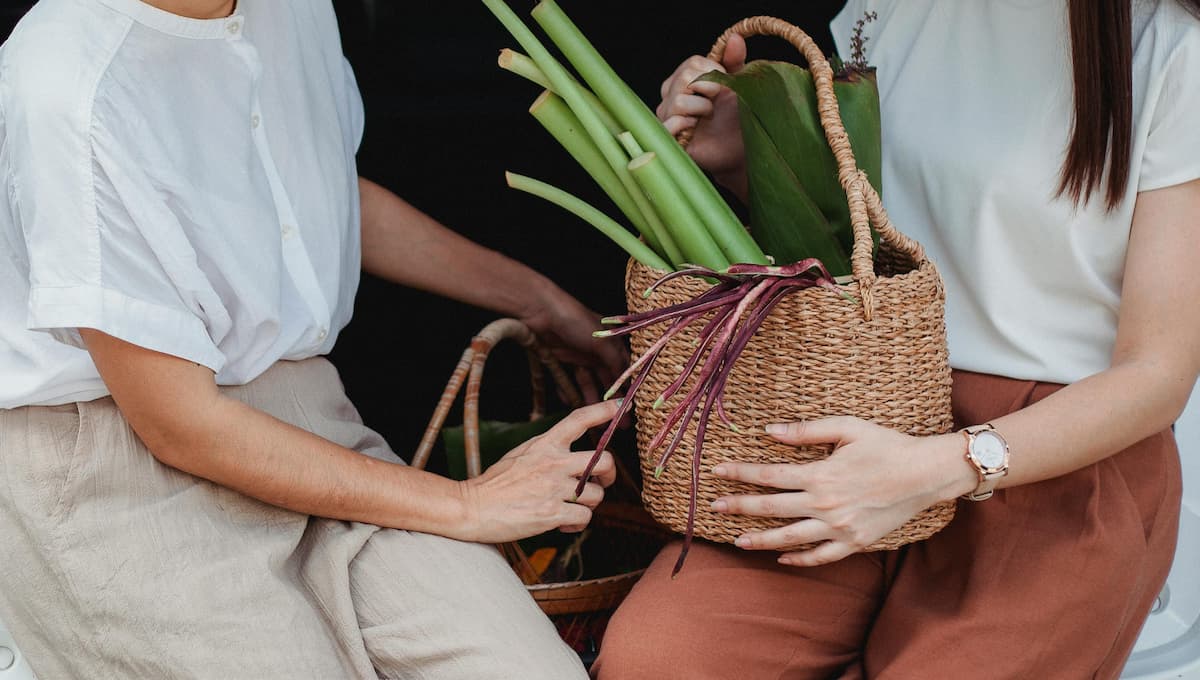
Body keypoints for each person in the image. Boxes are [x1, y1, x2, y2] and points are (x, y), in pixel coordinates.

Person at [0, 1, 625, 678]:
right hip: (118, 467)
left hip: (310, 426)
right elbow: (180, 424)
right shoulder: (71, 84)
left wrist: (539, 302)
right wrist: (468, 504)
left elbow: (310, 196)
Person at [594, 1, 1200, 678]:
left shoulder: (1172, 53)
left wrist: (934, 469)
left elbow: (1159, 374)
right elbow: (859, 227)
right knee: (657, 660)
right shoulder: (891, 8)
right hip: (862, 414)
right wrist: (740, 154)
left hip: (1052, 467)